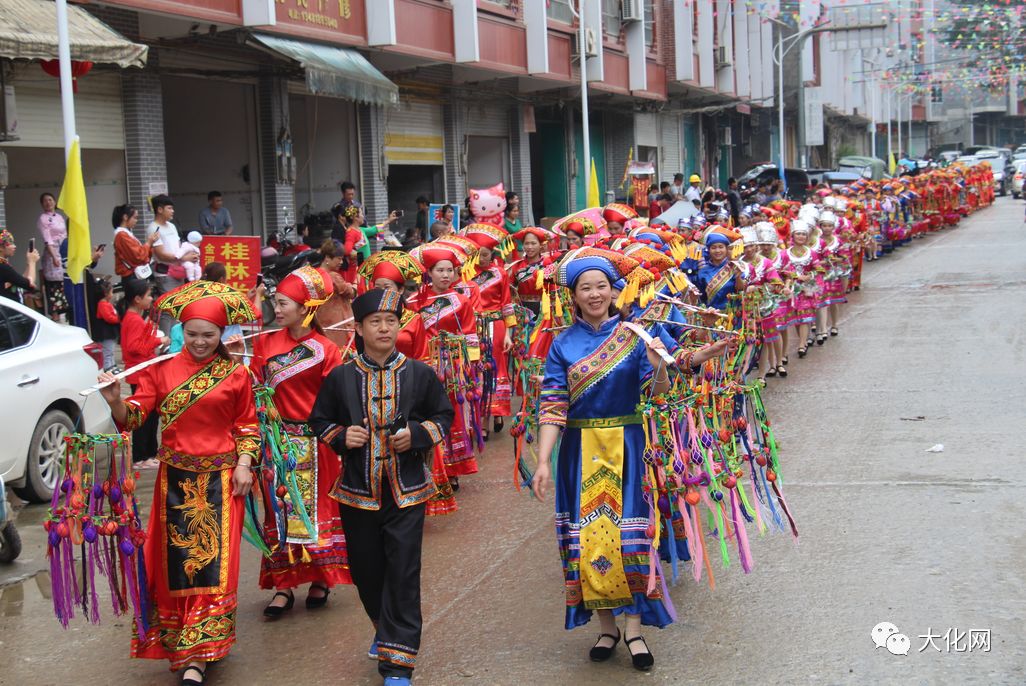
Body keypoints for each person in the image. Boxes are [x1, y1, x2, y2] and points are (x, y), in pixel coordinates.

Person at [531, 247, 729, 672]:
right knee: (588, 543)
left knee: (631, 540)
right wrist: (544, 460)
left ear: (614, 290)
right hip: (579, 454)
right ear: (574, 295)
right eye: (586, 287)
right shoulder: (562, 345)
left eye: (601, 286)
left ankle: (635, 629)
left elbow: (657, 391)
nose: (595, 294)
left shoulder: (636, 335)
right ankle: (607, 627)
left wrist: (662, 364)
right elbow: (552, 405)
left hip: (631, 448)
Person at [97, 280, 259, 685]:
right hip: (175, 481)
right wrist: (115, 399)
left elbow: (248, 427)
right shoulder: (161, 369)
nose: (201, 342)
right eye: (192, 334)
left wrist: (244, 463)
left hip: (222, 480)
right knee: (174, 567)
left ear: (223, 334)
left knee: (214, 567)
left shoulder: (236, 375)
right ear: (180, 332)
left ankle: (199, 653)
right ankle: (184, 643)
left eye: (209, 335)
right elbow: (135, 417)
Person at [310, 288, 454, 686]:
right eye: (376, 322)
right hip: (357, 491)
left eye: (392, 321)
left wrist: (418, 434)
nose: (385, 328)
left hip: (407, 489)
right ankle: (384, 626)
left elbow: (444, 415)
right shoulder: (340, 377)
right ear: (358, 328)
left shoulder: (419, 373)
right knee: (366, 570)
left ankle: (398, 663)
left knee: (404, 571)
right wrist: (342, 436)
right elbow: (319, 421)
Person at [252, 266, 353, 617]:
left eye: (283, 304)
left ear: (305, 308)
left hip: (315, 443)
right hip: (278, 446)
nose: (277, 310)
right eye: (275, 303)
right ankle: (283, 585)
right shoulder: (264, 343)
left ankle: (321, 578)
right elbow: (256, 391)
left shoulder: (326, 349)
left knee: (317, 510)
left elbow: (336, 400)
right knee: (279, 511)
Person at [119, 278, 164, 468]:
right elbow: (134, 347)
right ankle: (141, 456)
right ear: (137, 299)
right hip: (140, 373)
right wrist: (158, 341)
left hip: (143, 372)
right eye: (148, 296)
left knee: (150, 415)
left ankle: (147, 454)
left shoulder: (134, 318)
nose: (151, 299)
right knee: (145, 416)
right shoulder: (133, 319)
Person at [147, 195, 196, 334]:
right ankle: (165, 342)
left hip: (178, 271)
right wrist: (183, 258)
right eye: (169, 208)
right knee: (168, 309)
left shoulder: (172, 226)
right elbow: (161, 254)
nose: (172, 211)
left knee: (178, 308)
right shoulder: (153, 228)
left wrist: (188, 255)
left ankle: (174, 341)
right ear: (160, 209)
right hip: (165, 273)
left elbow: (179, 247)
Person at [316, 239, 356, 351]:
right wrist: (355, 284)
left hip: (321, 324)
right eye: (339, 258)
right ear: (328, 258)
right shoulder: (333, 277)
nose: (341, 262)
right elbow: (351, 293)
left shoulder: (315, 274)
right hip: (339, 326)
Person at [37, 191, 70, 321]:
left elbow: (65, 235)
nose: (48, 202)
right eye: (45, 200)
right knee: (54, 286)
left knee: (64, 283)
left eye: (50, 200)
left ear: (55, 202)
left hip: (63, 249)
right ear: (42, 204)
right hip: (52, 252)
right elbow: (47, 238)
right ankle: (55, 316)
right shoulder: (43, 219)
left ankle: (66, 314)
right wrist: (54, 256)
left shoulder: (60, 217)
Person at [112, 203, 159, 282]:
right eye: (135, 217)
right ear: (125, 217)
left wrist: (149, 244)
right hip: (132, 276)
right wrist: (149, 243)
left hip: (134, 275)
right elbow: (138, 256)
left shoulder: (124, 234)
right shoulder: (122, 235)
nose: (136, 221)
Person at [0, 230, 40, 303]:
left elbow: (20, 281)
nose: (14, 246)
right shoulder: (3, 268)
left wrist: (28, 263)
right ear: (1, 248)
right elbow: (29, 285)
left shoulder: (4, 266)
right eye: (10, 243)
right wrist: (32, 262)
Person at [95, 280, 120, 371]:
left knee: (110, 351)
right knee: (107, 351)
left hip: (110, 332)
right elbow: (109, 318)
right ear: (106, 293)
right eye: (111, 292)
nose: (112, 294)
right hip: (106, 332)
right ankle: (108, 368)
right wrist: (119, 319)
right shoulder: (102, 304)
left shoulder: (106, 304)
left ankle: (112, 366)